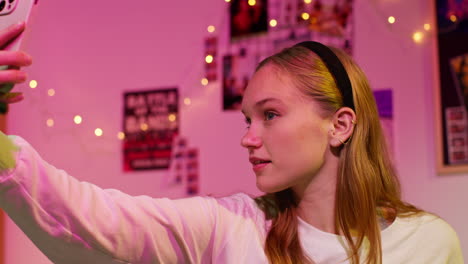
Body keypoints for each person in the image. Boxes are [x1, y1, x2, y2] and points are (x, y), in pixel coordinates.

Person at [0, 22, 463, 264]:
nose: (247, 137)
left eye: (271, 114)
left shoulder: (429, 244)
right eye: (247, 118)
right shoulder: (232, 228)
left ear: (339, 126)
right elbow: (91, 218)